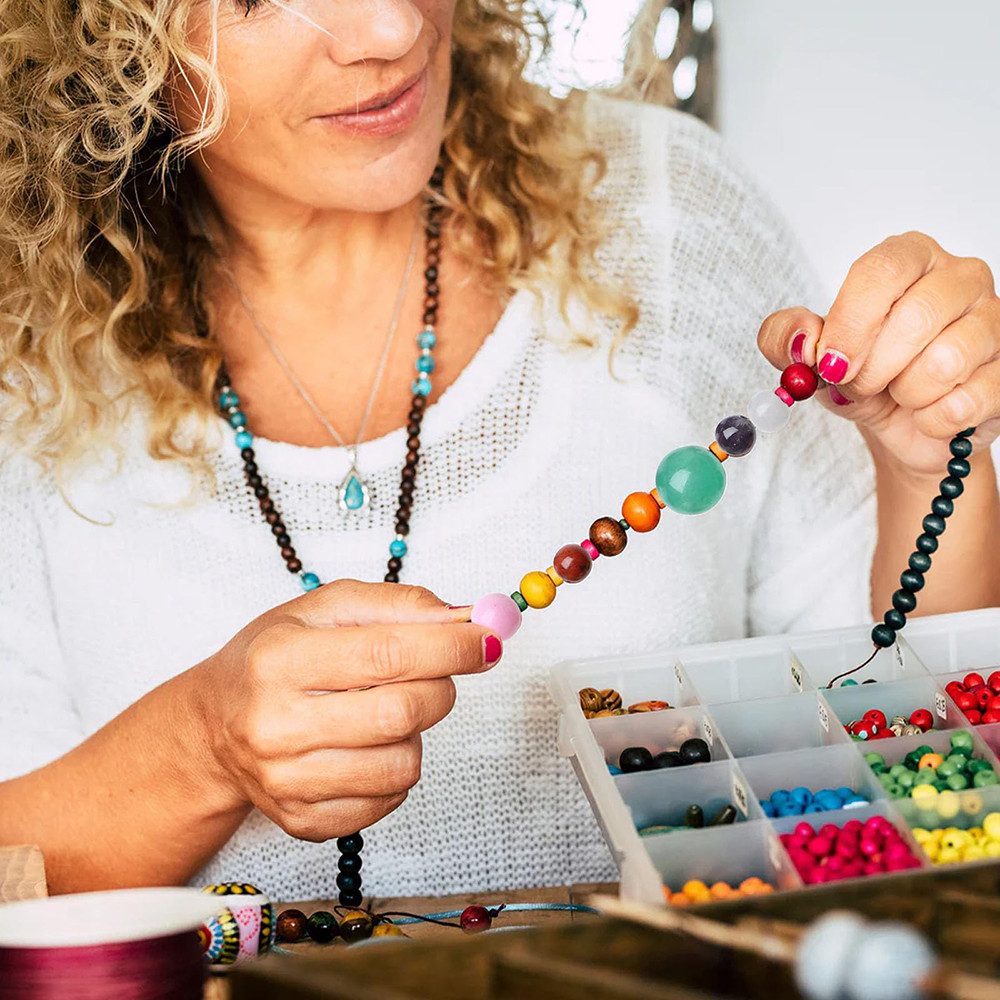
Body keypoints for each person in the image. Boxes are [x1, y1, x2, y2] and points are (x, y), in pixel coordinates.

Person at [1, 0, 998, 903]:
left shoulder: (662, 210)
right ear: (103, 32)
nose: (392, 29)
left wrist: (925, 471)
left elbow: (938, 764)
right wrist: (202, 750)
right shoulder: (25, 357)